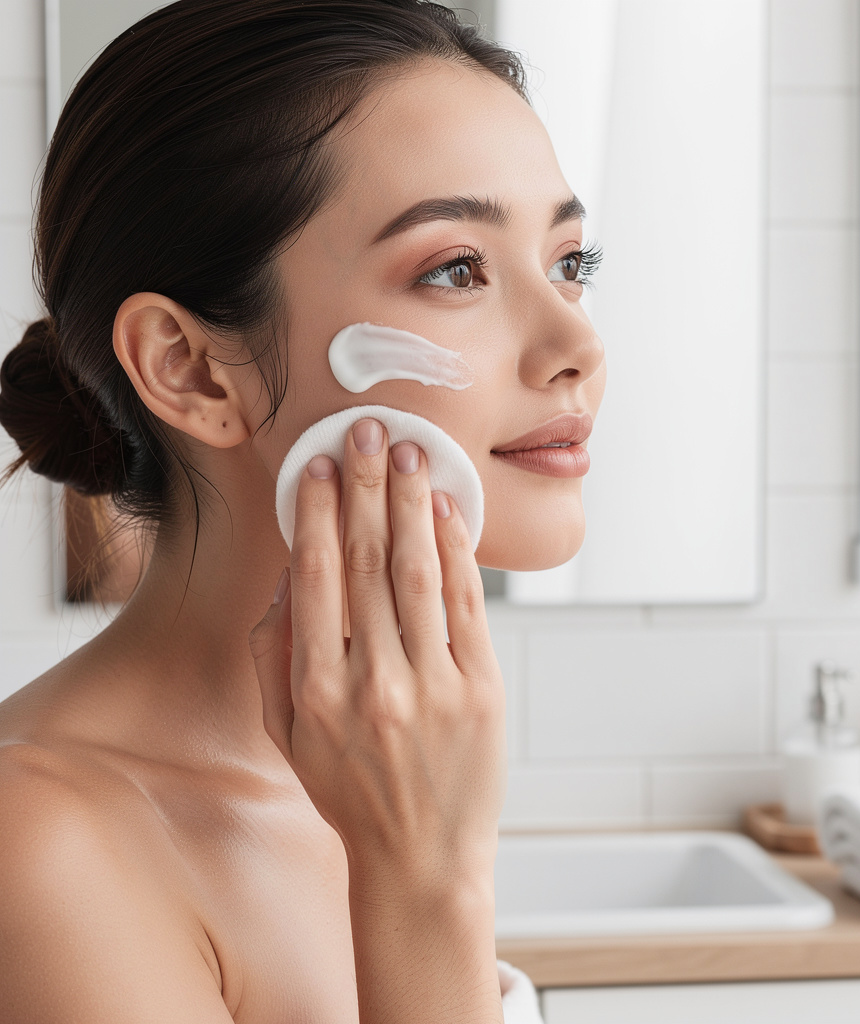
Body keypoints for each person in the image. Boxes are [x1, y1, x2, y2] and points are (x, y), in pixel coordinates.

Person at [0, 1, 605, 1020]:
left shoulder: (366, 773)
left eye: (569, 264)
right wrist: (425, 889)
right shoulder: (41, 846)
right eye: (456, 269)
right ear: (191, 369)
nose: (575, 344)